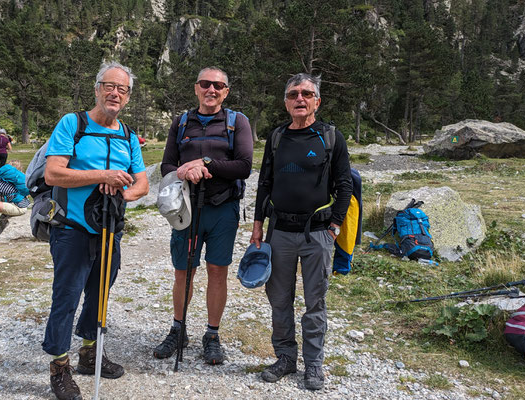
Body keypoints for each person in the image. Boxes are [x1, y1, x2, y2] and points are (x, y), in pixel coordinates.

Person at [41, 61, 148, 400]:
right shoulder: (73, 124)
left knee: (100, 294)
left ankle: (90, 352)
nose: (115, 93)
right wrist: (103, 177)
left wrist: (122, 194)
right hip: (72, 229)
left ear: (128, 97)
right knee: (67, 297)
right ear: (97, 88)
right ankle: (59, 366)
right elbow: (53, 174)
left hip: (109, 230)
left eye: (123, 89)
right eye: (109, 86)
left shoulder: (128, 135)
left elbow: (142, 183)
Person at [250, 73, 353, 391]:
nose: (300, 99)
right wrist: (257, 225)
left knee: (315, 302)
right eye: (293, 94)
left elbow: (345, 184)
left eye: (307, 94)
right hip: (278, 232)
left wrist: (334, 226)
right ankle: (285, 358)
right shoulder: (277, 137)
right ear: (286, 102)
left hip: (318, 234)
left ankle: (314, 366)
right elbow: (265, 182)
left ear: (317, 102)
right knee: (279, 299)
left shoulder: (331, 137)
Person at [155, 67, 253, 365]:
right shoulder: (181, 122)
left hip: (223, 209)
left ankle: (212, 334)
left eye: (218, 86)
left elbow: (244, 165)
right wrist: (186, 170)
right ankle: (178, 329)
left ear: (226, 91)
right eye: (205, 84)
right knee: (183, 271)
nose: (212, 90)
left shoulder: (238, 122)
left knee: (217, 272)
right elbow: (167, 166)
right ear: (196, 88)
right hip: (186, 208)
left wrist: (205, 163)